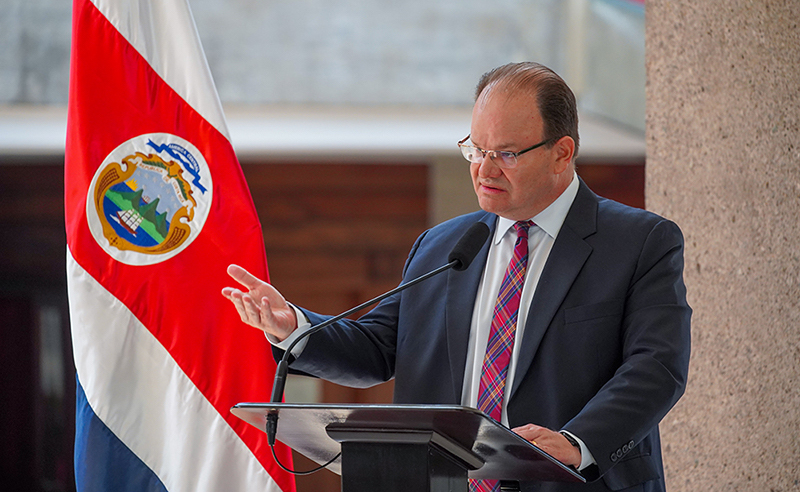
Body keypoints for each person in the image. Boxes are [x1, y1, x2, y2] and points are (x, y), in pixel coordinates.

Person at [222, 62, 691, 492]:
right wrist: (295, 328)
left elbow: (657, 366)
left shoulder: (640, 242)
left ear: (561, 153)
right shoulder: (442, 247)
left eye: (505, 154)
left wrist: (577, 442)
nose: (483, 169)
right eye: (475, 148)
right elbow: (377, 349)